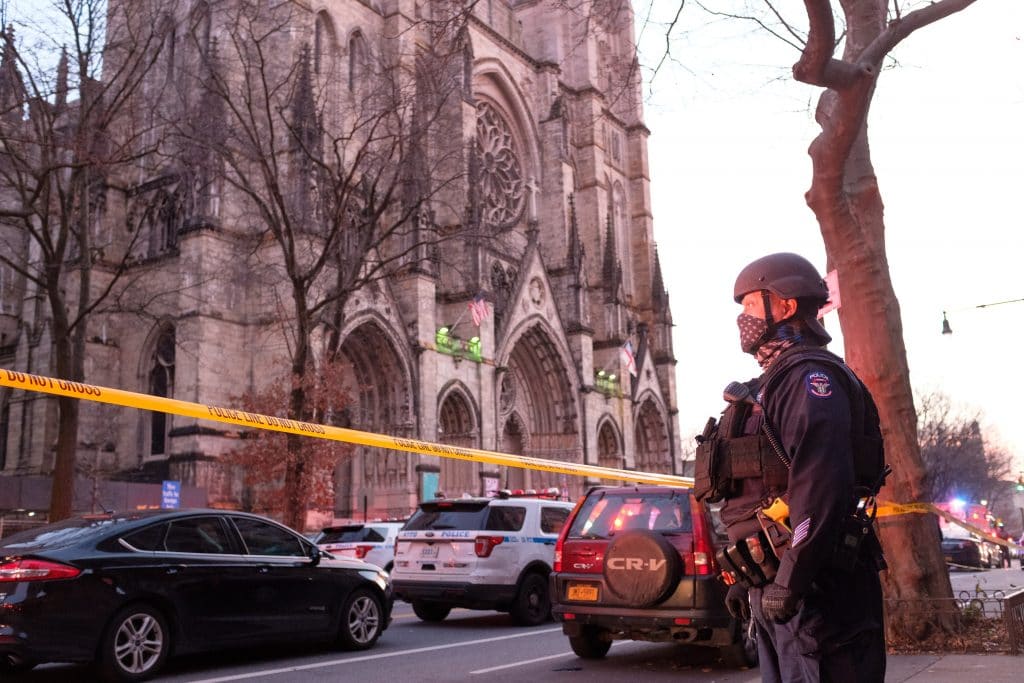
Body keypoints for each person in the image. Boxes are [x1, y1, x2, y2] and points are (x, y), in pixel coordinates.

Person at [693, 253, 888, 682]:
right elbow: (762, 493)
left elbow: (821, 488)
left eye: (749, 306)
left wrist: (792, 579)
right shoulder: (771, 384)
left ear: (784, 306)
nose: (742, 319)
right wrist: (750, 582)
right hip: (779, 588)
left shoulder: (809, 379)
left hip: (816, 593)